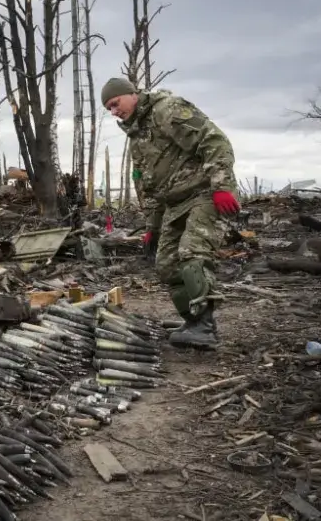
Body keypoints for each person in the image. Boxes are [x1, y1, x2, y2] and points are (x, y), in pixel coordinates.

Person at [101, 77, 239, 350]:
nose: (115, 111)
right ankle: (192, 319)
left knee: (192, 254)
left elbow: (214, 141)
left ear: (132, 94)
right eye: (109, 109)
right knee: (166, 264)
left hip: (204, 194)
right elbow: (150, 188)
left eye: (116, 104)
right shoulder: (137, 136)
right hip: (174, 205)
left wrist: (222, 187)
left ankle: (204, 328)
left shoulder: (167, 109)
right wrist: (153, 227)